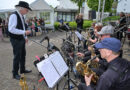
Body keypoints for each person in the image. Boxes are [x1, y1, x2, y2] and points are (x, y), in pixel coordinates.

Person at [8, 1, 32, 80]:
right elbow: (11, 29)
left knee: (23, 55)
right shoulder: (14, 16)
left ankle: (22, 70)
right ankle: (15, 74)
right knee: (17, 57)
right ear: (22, 9)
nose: (27, 11)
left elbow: (23, 27)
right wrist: (24, 32)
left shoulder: (22, 16)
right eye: (27, 9)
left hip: (21, 39)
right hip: (15, 39)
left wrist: (25, 37)